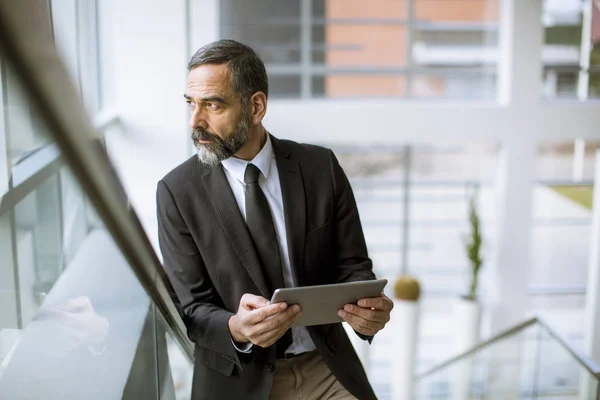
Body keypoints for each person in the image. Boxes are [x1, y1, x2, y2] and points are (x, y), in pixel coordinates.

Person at [156, 39, 393, 400]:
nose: (195, 122)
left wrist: (367, 312)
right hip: (239, 379)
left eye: (212, 105)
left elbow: (353, 267)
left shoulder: (320, 168)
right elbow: (192, 309)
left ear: (256, 107)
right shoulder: (176, 191)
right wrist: (236, 328)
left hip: (323, 367)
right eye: (191, 104)